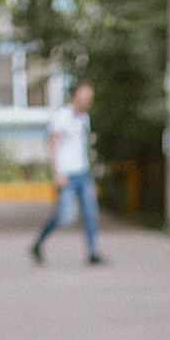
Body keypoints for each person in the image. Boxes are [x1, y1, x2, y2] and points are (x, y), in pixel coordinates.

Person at [31, 79, 105, 264]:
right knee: (63, 216)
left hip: (83, 173)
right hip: (66, 175)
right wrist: (57, 173)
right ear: (74, 96)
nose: (88, 100)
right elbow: (52, 145)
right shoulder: (62, 116)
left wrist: (90, 170)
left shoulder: (84, 118)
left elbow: (83, 146)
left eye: (89, 97)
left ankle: (92, 252)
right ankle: (38, 243)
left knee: (90, 213)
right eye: (85, 96)